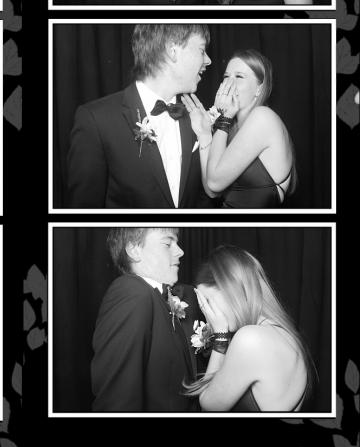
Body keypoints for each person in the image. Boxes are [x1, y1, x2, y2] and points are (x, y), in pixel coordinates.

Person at [66, 24, 212, 208]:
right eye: (201, 50)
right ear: (172, 50)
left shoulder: (196, 118)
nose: (208, 60)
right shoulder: (96, 121)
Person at [185, 246, 312, 412]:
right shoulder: (285, 334)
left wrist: (221, 335)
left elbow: (209, 406)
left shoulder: (251, 339)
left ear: (230, 289)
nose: (208, 315)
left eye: (207, 302)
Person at [91, 227, 200, 412]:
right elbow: (117, 401)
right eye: (168, 243)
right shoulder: (132, 291)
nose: (180, 251)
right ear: (134, 250)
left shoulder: (159, 298)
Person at [181, 49, 295, 208]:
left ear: (259, 88)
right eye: (226, 77)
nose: (229, 83)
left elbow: (214, 183)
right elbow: (212, 191)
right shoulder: (234, 129)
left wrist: (224, 118)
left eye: (239, 77)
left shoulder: (263, 117)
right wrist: (205, 134)